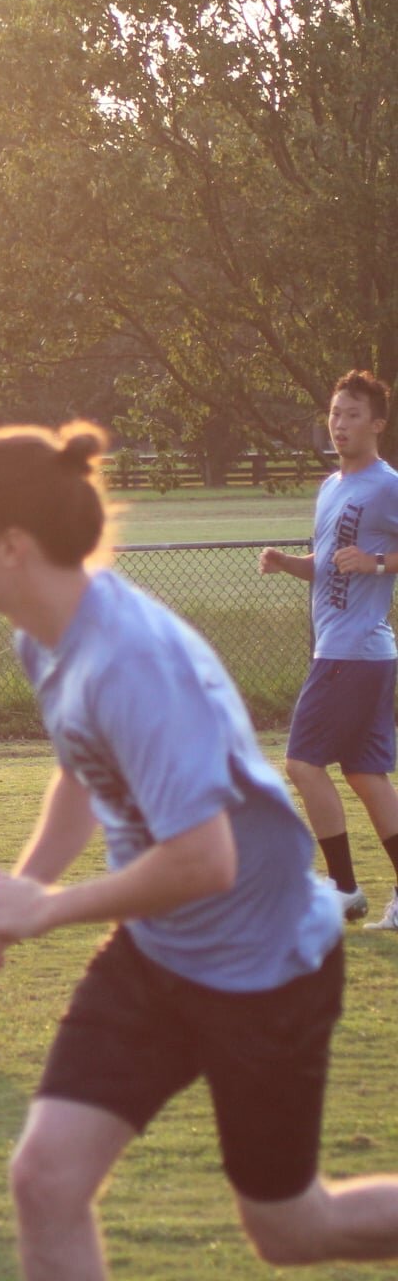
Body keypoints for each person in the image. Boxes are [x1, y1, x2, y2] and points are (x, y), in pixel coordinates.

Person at [0, 421, 398, 1279]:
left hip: (268, 973)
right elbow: (83, 775)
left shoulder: (131, 660)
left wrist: (51, 910)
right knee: (44, 1177)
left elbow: (203, 860)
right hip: (159, 955)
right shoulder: (43, 633)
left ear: (12, 544)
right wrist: (17, 895)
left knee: (291, 1231)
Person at [261, 370, 398, 929]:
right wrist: (289, 564)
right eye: (335, 413)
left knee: (301, 763)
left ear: (378, 425)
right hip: (353, 651)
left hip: (353, 651)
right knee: (366, 776)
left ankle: (343, 888)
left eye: (352, 415)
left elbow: (365, 562)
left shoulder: (387, 485)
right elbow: (328, 565)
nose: (339, 424)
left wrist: (379, 563)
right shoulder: (331, 487)